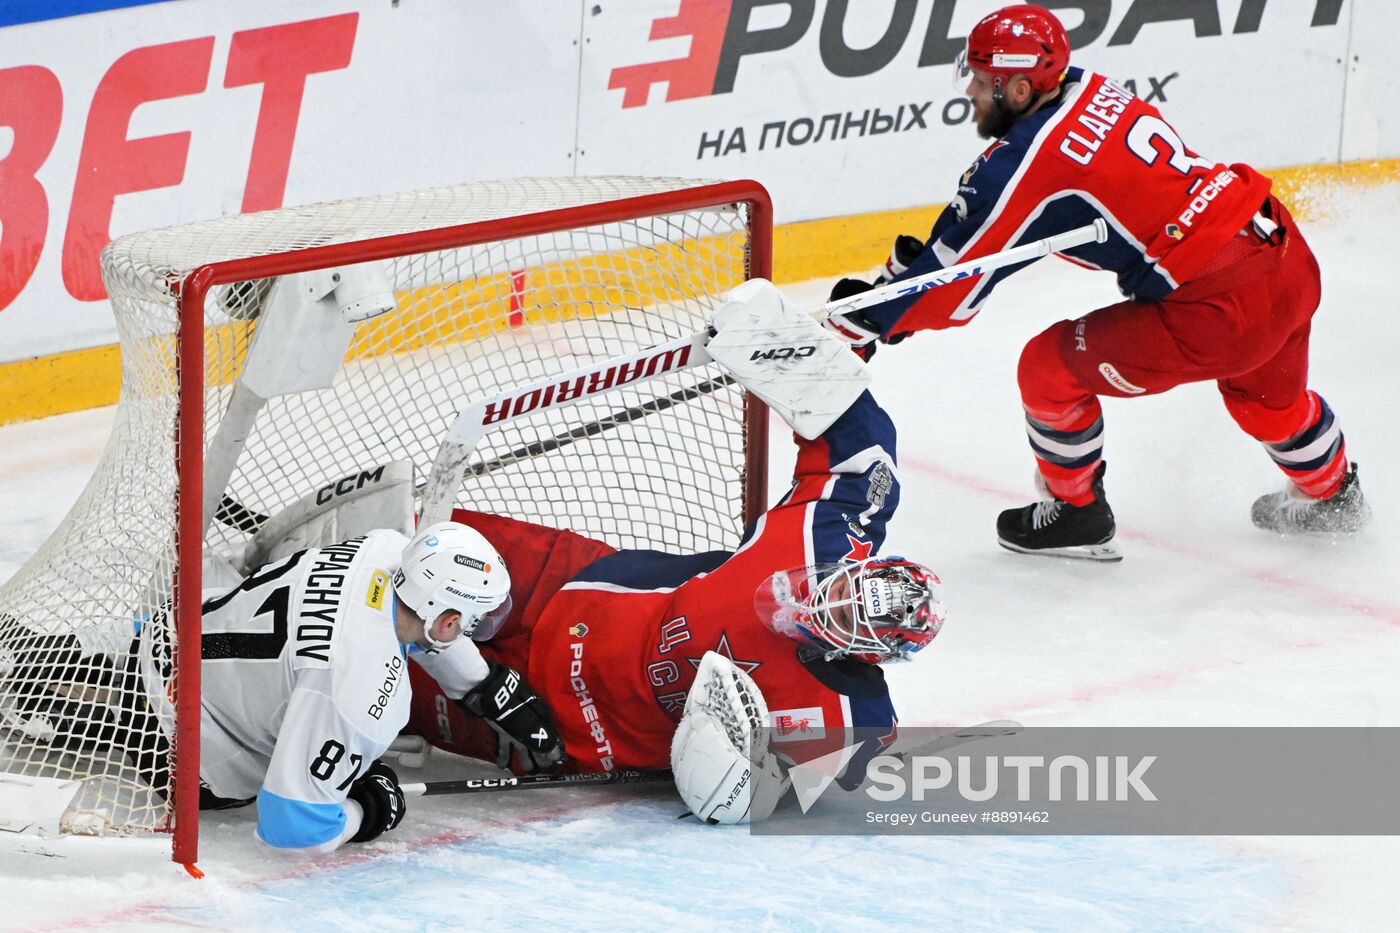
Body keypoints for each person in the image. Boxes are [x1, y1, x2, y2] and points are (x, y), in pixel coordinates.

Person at [821, 3, 1370, 560]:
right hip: (1282, 253)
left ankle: (1077, 510)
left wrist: (871, 317)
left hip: (1219, 309)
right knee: (1266, 401)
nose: (971, 93)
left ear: (1017, 89)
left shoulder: (1025, 161)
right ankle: (1334, 496)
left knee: (1048, 368)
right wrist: (905, 288)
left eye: (983, 82)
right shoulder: (1087, 86)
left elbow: (956, 287)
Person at [401, 328, 945, 822]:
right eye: (849, 588)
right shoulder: (822, 540)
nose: (831, 602)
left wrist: (737, 780)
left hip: (568, 726)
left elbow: (796, 790)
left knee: (368, 676)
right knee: (401, 544)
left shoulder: (849, 719)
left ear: (869, 655)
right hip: (568, 585)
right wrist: (798, 351)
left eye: (850, 618)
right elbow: (863, 450)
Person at [0, 523, 563, 854]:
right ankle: (48, 710)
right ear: (447, 621)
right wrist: (367, 813)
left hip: (162, 638)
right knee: (97, 721)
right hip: (184, 748)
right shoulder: (364, 697)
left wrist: (488, 687)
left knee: (70, 666)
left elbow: (418, 623)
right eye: (474, 620)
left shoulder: (385, 548)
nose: (475, 631)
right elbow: (289, 823)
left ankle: (43, 663)